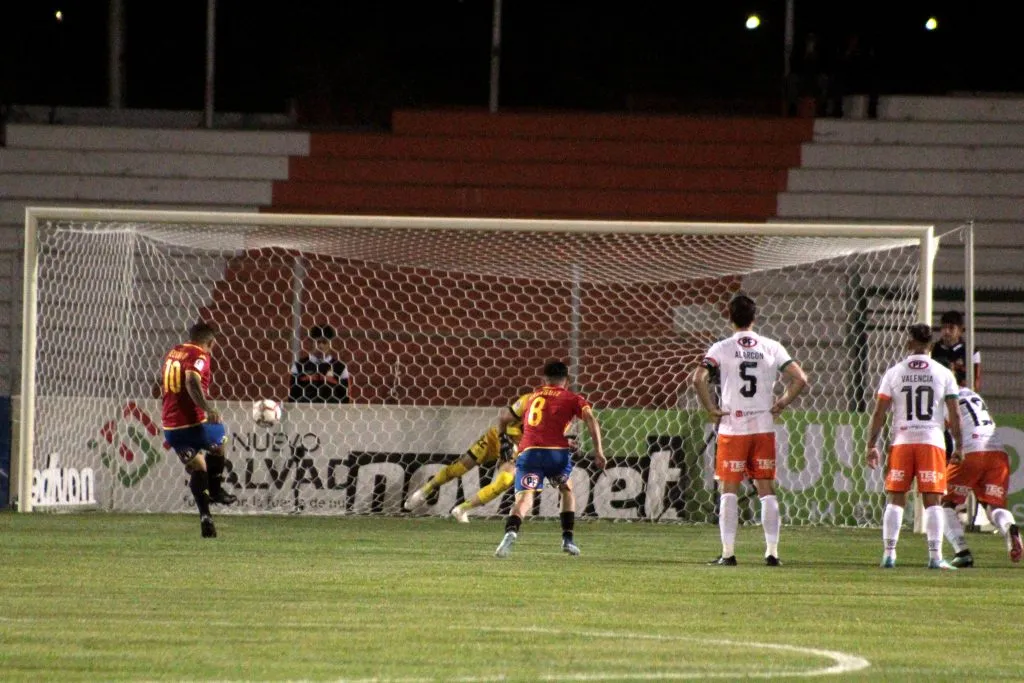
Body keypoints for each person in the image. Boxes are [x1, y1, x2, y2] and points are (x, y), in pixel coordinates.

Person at [692, 294, 808, 567]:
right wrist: (782, 402)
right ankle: (772, 553)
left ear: (729, 317)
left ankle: (729, 553)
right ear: (754, 318)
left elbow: (697, 378)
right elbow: (801, 379)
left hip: (733, 428)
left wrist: (711, 408)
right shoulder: (772, 346)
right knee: (766, 489)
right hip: (763, 428)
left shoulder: (721, 347)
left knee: (728, 490)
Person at [866, 323, 963, 570]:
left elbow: (879, 413)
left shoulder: (894, 373)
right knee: (933, 500)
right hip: (931, 442)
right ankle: (934, 556)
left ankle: (889, 554)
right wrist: (960, 447)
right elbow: (955, 414)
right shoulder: (944, 373)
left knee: (895, 498)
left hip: (902, 442)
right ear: (931, 345)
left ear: (909, 343)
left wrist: (871, 444)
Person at [494, 361, 606, 558]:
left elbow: (504, 418)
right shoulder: (573, 398)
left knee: (525, 498)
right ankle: (567, 539)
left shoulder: (530, 397)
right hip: (556, 455)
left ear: (544, 379)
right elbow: (591, 420)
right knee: (566, 490)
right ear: (567, 381)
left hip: (528, 454)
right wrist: (599, 452)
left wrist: (503, 440)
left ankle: (511, 532)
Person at [404, 391, 534, 521]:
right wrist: (503, 439)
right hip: (497, 438)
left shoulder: (553, 416)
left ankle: (462, 509)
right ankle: (425, 491)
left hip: (519, 448)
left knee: (504, 481)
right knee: (459, 468)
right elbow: (504, 417)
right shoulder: (530, 400)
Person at [160, 322, 235, 538]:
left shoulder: (174, 352)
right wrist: (207, 408)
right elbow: (192, 381)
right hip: (194, 423)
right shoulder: (200, 355)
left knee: (198, 466)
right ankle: (217, 490)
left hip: (171, 428)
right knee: (220, 440)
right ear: (211, 342)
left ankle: (205, 517)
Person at [941, 383, 1022, 567]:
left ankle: (962, 551)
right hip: (997, 452)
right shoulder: (972, 394)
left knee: (944, 503)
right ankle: (1009, 527)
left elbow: (944, 430)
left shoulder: (942, 398)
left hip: (969, 451)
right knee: (993, 506)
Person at [289, 323, 351, 404]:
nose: (321, 346)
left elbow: (346, 399)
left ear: (330, 344)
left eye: (324, 342)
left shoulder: (340, 368)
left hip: (332, 413)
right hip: (306, 413)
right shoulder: (299, 366)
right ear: (312, 343)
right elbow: (292, 396)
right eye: (318, 342)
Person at [931, 310, 981, 390]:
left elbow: (976, 382)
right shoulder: (933, 349)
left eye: (951, 328)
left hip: (961, 394)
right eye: (944, 327)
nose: (946, 331)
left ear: (960, 330)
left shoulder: (971, 351)